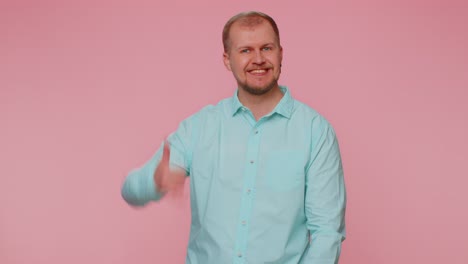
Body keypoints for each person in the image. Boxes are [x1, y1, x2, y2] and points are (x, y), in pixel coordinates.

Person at [121, 11, 346, 264]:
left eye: (267, 48)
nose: (258, 59)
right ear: (227, 60)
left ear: (281, 53)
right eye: (246, 51)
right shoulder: (199, 127)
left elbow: (327, 232)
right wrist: (154, 182)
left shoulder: (316, 131)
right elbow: (129, 190)